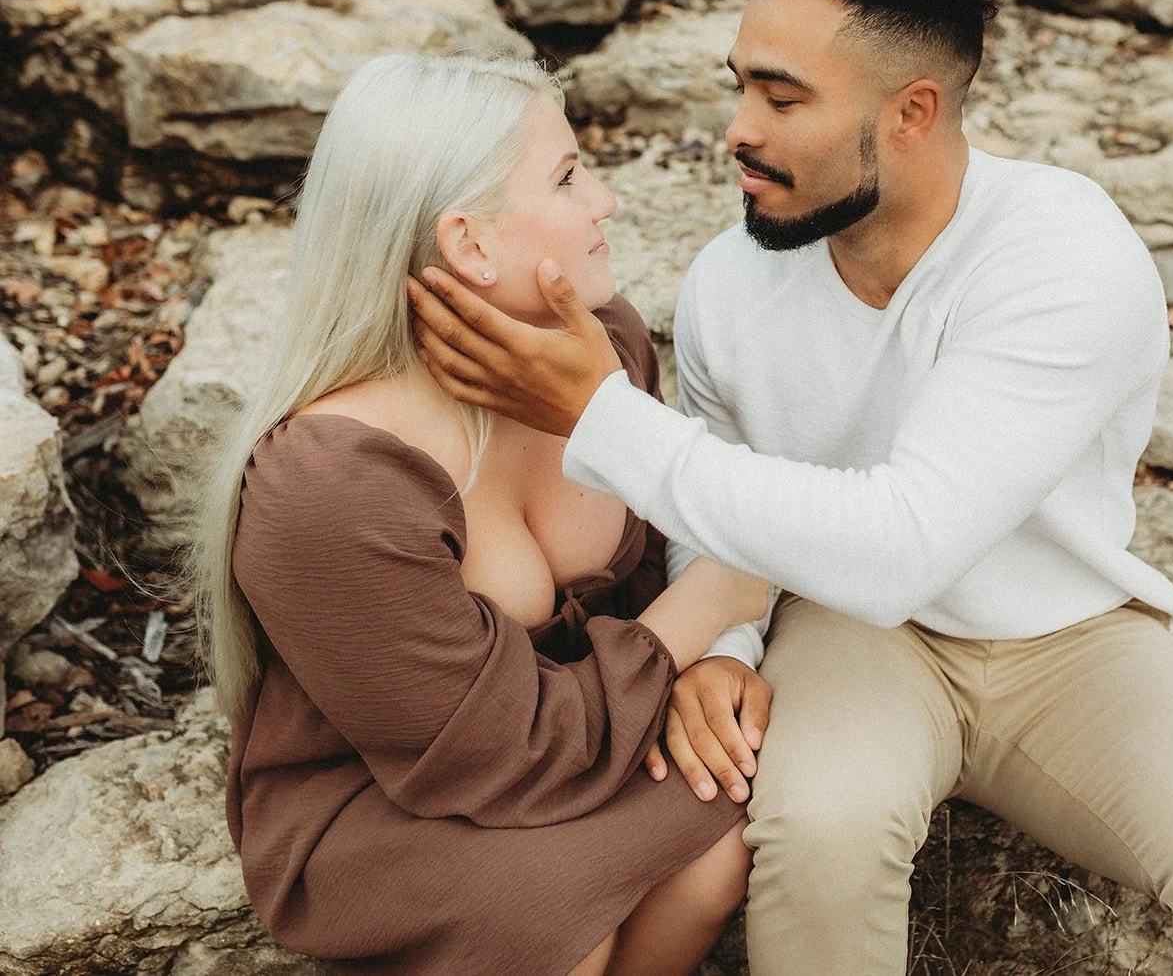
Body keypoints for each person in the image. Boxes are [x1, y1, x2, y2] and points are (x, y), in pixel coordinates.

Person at [406, 0, 1173, 973]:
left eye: (781, 97)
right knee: (816, 836)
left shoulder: (1062, 255)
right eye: (739, 86)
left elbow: (902, 541)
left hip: (1062, 636)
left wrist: (599, 413)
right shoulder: (732, 278)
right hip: (846, 633)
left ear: (911, 112)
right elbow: (718, 496)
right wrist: (721, 650)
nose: (737, 127)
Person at [189, 52, 768, 976]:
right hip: (399, 795)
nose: (607, 201)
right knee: (550, 926)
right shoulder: (330, 486)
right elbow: (493, 753)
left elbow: (653, 554)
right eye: (571, 176)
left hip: (596, 735)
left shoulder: (602, 351)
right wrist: (703, 612)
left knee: (719, 849)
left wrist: (712, 667)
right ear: (469, 244)